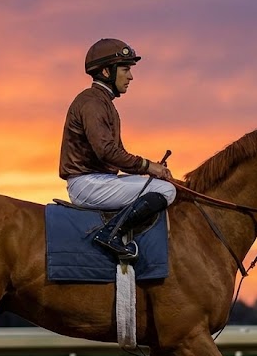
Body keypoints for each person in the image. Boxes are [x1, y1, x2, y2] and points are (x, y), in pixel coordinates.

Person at [59, 38, 176, 261]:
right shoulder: (92, 102)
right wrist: (148, 166)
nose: (130, 77)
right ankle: (110, 234)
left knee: (161, 185)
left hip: (98, 180)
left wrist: (150, 169)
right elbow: (106, 151)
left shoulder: (103, 102)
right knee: (166, 191)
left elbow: (116, 156)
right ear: (106, 71)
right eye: (125, 69)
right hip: (88, 183)